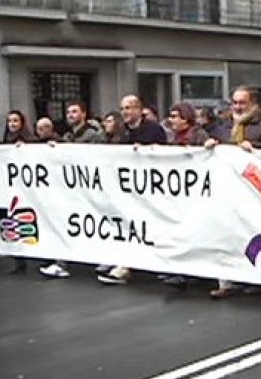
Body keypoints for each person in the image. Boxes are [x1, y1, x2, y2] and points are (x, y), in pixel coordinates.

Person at [206, 86, 261, 299]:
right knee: (229, 233)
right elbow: (216, 139)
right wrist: (211, 144)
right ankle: (229, 280)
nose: (237, 107)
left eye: (242, 103)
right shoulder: (225, 122)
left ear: (252, 103)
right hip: (229, 189)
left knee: (256, 232)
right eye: (235, 102)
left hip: (254, 189)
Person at [98, 96, 168, 285]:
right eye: (122, 109)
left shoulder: (154, 129)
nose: (125, 112)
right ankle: (124, 265)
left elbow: (166, 155)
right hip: (128, 189)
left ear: (139, 110)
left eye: (129, 108)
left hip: (151, 188)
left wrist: (147, 151)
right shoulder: (120, 131)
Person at [39, 102, 103, 280]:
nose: (70, 115)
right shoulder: (67, 136)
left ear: (83, 114)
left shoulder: (92, 136)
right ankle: (61, 262)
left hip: (89, 188)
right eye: (68, 112)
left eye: (74, 111)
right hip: (72, 189)